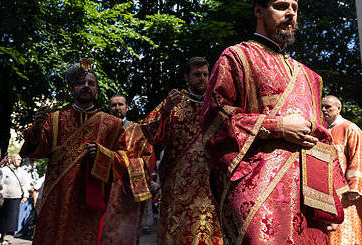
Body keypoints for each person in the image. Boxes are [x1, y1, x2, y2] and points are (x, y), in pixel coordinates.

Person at [201, 0, 348, 243]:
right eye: (281, 6)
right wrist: (278, 126)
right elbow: (216, 118)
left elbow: (322, 140)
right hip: (257, 189)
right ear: (259, 11)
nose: (290, 13)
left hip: (306, 198)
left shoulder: (310, 77)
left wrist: (328, 198)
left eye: (294, 8)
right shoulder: (236, 57)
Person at [19, 59, 128, 245]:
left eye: (91, 83)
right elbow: (36, 151)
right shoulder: (54, 119)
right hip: (57, 197)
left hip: (89, 198)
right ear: (72, 89)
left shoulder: (112, 125)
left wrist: (102, 155)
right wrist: (37, 129)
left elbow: (123, 159)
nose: (86, 86)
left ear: (96, 90)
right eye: (81, 83)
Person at [141, 57, 223, 244]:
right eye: (197, 75)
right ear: (186, 77)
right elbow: (151, 134)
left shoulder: (217, 106)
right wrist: (166, 111)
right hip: (178, 187)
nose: (202, 78)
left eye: (205, 74)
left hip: (210, 185)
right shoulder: (173, 103)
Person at [101, 94, 155, 245]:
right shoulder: (103, 129)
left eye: (120, 104)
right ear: (109, 108)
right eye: (113, 105)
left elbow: (148, 159)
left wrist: (127, 165)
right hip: (106, 189)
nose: (117, 108)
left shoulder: (139, 130)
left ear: (127, 107)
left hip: (128, 191)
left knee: (128, 234)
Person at [321, 95, 362, 245]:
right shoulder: (322, 130)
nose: (324, 110)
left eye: (328, 107)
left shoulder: (350, 128)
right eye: (322, 107)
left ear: (338, 108)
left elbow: (360, 159)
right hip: (326, 191)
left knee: (348, 233)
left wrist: (354, 187)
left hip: (347, 192)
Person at [0, 154, 30, 243]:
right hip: (4, 197)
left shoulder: (21, 171)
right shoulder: (5, 170)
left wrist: (25, 195)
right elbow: (0, 182)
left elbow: (23, 184)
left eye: (20, 159)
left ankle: (3, 237)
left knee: (10, 220)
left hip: (15, 198)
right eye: (18, 159)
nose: (20, 161)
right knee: (1, 218)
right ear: (12, 160)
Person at [15, 158, 38, 239]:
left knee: (28, 214)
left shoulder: (34, 171)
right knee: (22, 213)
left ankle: (24, 231)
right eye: (32, 161)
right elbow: (22, 182)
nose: (33, 162)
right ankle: (18, 231)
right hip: (24, 194)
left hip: (31, 195)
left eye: (34, 161)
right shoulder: (23, 170)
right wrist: (29, 189)